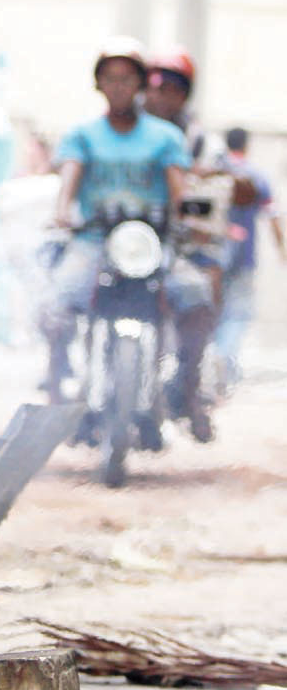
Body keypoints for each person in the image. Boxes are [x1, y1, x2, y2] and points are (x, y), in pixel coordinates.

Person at [40, 37, 216, 441]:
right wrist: (62, 210)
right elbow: (70, 177)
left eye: (127, 79)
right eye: (110, 78)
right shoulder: (83, 135)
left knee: (196, 296)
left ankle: (187, 389)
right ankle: (54, 395)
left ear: (141, 85)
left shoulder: (165, 138)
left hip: (151, 241)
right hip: (96, 240)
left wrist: (188, 217)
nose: (119, 86)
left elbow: (179, 190)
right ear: (98, 84)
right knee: (59, 301)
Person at [211, 127, 285, 390]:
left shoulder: (214, 171)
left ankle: (213, 361)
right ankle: (224, 357)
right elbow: (272, 216)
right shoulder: (256, 177)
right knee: (237, 313)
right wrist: (281, 250)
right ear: (247, 145)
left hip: (212, 256)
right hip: (243, 256)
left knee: (215, 309)